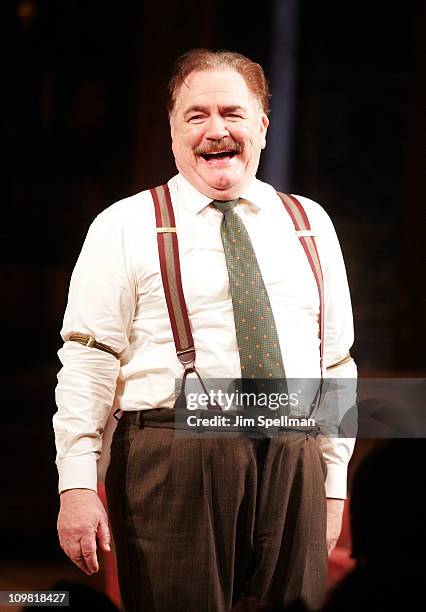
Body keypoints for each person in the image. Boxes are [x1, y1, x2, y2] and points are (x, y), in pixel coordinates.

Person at [54, 49, 357, 611]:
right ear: (172, 129)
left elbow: (336, 362)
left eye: (232, 113)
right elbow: (88, 359)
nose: (215, 129)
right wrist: (76, 485)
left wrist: (332, 486)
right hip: (174, 458)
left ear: (262, 126)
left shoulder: (309, 222)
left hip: (293, 456)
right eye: (196, 115)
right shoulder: (125, 224)